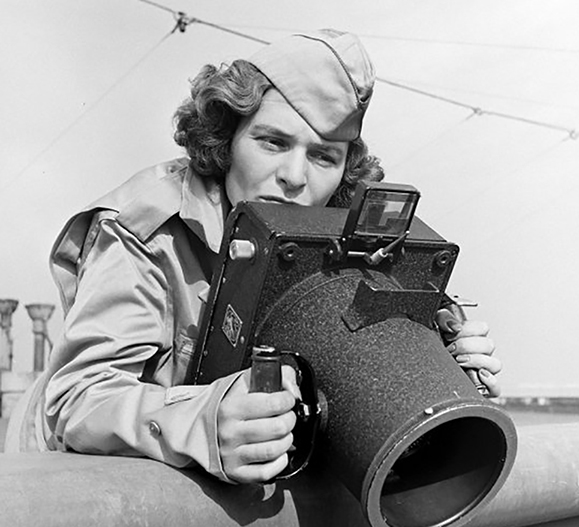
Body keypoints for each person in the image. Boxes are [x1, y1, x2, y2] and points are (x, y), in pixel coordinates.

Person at [6, 30, 501, 484]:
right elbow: (75, 400)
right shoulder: (147, 229)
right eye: (273, 142)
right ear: (225, 138)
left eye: (324, 156)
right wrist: (203, 422)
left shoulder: (342, 239)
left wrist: (435, 365)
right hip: (51, 490)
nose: (294, 175)